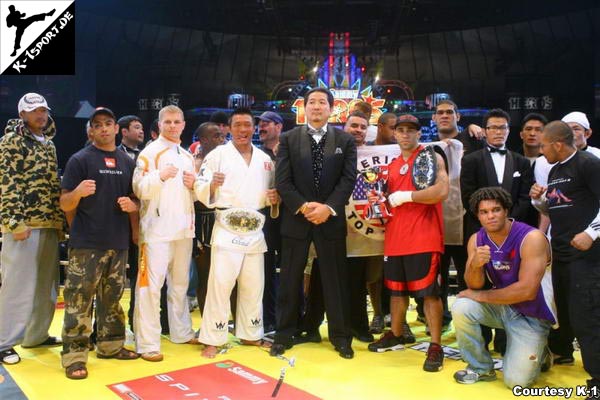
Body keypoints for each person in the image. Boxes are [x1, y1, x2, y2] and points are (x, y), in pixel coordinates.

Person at [272, 87, 357, 359]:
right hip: (297, 219)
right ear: (304, 108)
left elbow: (348, 180)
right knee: (289, 280)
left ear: (332, 109)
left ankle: (341, 337)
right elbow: (283, 181)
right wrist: (304, 206)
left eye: (322, 102)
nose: (317, 106)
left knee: (336, 281)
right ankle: (284, 334)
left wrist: (329, 208)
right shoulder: (288, 138)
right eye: (312, 102)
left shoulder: (345, 139)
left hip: (330, 219)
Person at [59, 107, 140, 379]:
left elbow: (135, 201)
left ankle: (110, 345)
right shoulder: (79, 160)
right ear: (91, 131)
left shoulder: (128, 162)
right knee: (79, 301)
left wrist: (133, 207)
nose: (104, 128)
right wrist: (78, 193)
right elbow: (64, 203)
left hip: (118, 243)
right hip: (87, 243)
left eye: (108, 123)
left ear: (117, 129)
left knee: (113, 299)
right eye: (98, 125)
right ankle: (74, 356)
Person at [366, 114, 448, 372]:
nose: (404, 134)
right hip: (395, 239)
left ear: (419, 133)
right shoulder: (389, 167)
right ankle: (396, 333)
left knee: (429, 294)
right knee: (396, 292)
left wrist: (407, 196)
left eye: (410, 130)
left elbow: (441, 192)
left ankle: (435, 345)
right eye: (400, 130)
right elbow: (383, 200)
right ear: (395, 134)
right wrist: (377, 200)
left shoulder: (430, 157)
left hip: (423, 237)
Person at [452, 187, 555, 387]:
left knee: (517, 382)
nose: (490, 216)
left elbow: (527, 291)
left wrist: (481, 296)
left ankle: (541, 352)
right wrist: (475, 264)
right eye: (484, 212)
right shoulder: (476, 239)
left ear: (506, 211)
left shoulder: (531, 238)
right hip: (502, 307)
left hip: (532, 314)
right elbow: (474, 284)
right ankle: (480, 368)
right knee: (462, 306)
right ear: (478, 216)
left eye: (496, 210)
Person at [195, 108, 277, 357]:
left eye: (247, 125)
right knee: (220, 284)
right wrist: (212, 185)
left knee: (254, 285)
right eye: (238, 125)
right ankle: (213, 336)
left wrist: (275, 199)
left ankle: (251, 333)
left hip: (254, 228)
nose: (243, 130)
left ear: (254, 128)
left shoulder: (265, 159)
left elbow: (272, 193)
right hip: (227, 225)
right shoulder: (217, 155)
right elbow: (200, 186)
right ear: (228, 129)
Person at [531, 121, 600, 395]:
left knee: (587, 317)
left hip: (587, 256)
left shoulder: (588, 163)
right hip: (561, 254)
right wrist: (538, 200)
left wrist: (592, 233)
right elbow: (555, 207)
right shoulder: (556, 170)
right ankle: (567, 356)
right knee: (567, 316)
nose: (540, 150)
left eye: (543, 145)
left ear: (557, 144)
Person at [0, 93, 65, 365]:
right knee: (17, 285)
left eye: (43, 110)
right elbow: (8, 182)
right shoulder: (11, 140)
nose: (40, 115)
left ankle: (36, 335)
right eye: (34, 111)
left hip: (49, 222)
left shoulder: (47, 143)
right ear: (22, 114)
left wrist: (59, 221)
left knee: (46, 286)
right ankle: (4, 342)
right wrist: (15, 222)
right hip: (23, 225)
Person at [133, 105, 198, 362]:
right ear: (160, 125)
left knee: (180, 285)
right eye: (167, 122)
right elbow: (139, 189)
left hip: (183, 230)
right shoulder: (149, 154)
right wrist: (158, 177)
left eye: (176, 122)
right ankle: (147, 343)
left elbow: (193, 193)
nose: (172, 126)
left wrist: (197, 187)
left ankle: (181, 332)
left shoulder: (186, 156)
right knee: (150, 287)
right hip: (156, 232)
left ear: (183, 124)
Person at [190, 122, 225, 318]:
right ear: (203, 139)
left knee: (226, 275)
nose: (222, 139)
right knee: (205, 275)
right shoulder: (191, 162)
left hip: (224, 219)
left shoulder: (227, 158)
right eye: (217, 136)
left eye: (221, 135)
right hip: (202, 221)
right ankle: (206, 322)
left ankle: (229, 321)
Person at [256, 111, 284, 332]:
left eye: (266, 123)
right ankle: (268, 317)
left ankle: (291, 315)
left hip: (290, 218)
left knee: (290, 271)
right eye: (260, 124)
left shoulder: (291, 151)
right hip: (263, 220)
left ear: (279, 127)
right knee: (263, 270)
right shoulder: (255, 154)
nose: (261, 127)